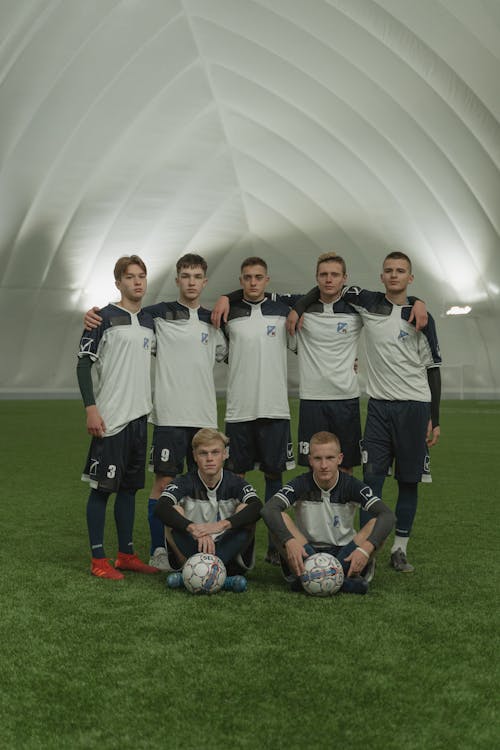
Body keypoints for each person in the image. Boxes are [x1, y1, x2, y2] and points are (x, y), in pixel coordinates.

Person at [290, 251, 441, 572]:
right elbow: (323, 289)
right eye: (389, 270)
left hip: (414, 408)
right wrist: (300, 307)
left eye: (401, 271)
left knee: (408, 482)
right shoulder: (365, 302)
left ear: (410, 278)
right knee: (369, 484)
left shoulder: (420, 316)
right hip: (377, 408)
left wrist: (435, 419)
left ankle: (400, 548)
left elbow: (434, 369)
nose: (394, 275)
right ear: (381, 276)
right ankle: (362, 548)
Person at [83, 253, 228, 571]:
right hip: (167, 417)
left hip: (204, 419)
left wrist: (227, 301)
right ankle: (158, 551)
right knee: (164, 484)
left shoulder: (213, 321)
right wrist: (92, 315)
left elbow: (228, 354)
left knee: (202, 487)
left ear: (204, 282)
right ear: (177, 280)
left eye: (197, 277)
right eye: (185, 276)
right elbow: (121, 312)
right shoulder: (155, 316)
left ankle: (198, 549)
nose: (191, 282)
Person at [77, 255, 159, 579]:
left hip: (140, 417)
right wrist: (91, 408)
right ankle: (99, 560)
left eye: (141, 276)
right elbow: (84, 364)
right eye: (130, 277)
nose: (137, 282)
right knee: (101, 489)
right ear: (118, 283)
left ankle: (126, 554)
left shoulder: (151, 321)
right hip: (111, 419)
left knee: (129, 490)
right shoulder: (102, 318)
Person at [210, 257, 295, 566]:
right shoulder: (227, 314)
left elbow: (314, 296)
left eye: (259, 277)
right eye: (247, 278)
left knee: (275, 478)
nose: (253, 282)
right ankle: (239, 544)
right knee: (235, 482)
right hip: (239, 411)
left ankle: (276, 545)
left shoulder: (284, 311)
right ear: (241, 280)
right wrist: (226, 298)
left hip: (274, 409)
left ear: (267, 279)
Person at [260, 431, 395, 594]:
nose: (324, 465)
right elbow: (268, 509)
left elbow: (387, 516)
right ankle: (343, 582)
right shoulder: (300, 483)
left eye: (330, 458)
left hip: (344, 552)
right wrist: (289, 541)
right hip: (307, 550)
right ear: (310, 460)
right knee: (279, 519)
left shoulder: (352, 485)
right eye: (318, 458)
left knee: (376, 524)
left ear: (340, 459)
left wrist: (365, 549)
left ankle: (308, 579)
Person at [154, 428, 263, 591]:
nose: (210, 459)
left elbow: (257, 506)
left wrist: (220, 526)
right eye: (203, 453)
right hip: (193, 545)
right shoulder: (184, 482)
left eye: (215, 452)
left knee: (245, 509)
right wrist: (193, 528)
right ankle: (208, 575)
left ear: (225, 454)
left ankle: (194, 576)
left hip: (227, 549)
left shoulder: (236, 483)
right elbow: (160, 507)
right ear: (195, 456)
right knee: (174, 509)